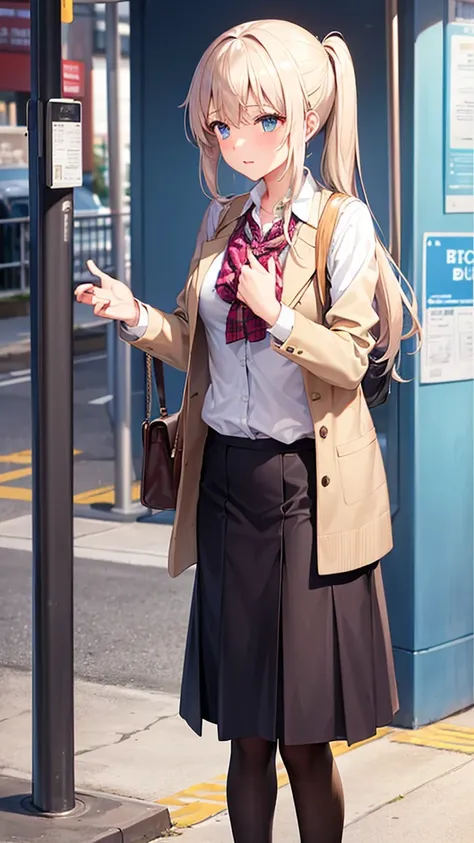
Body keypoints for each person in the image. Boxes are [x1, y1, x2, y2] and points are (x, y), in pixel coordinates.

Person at [75, 20, 420, 843]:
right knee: (246, 730)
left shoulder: (343, 225)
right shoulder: (219, 221)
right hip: (227, 486)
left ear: (303, 116)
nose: (237, 140)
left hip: (307, 496)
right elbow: (197, 347)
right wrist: (137, 315)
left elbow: (351, 354)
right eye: (221, 124)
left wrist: (277, 315)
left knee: (303, 736)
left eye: (257, 120)